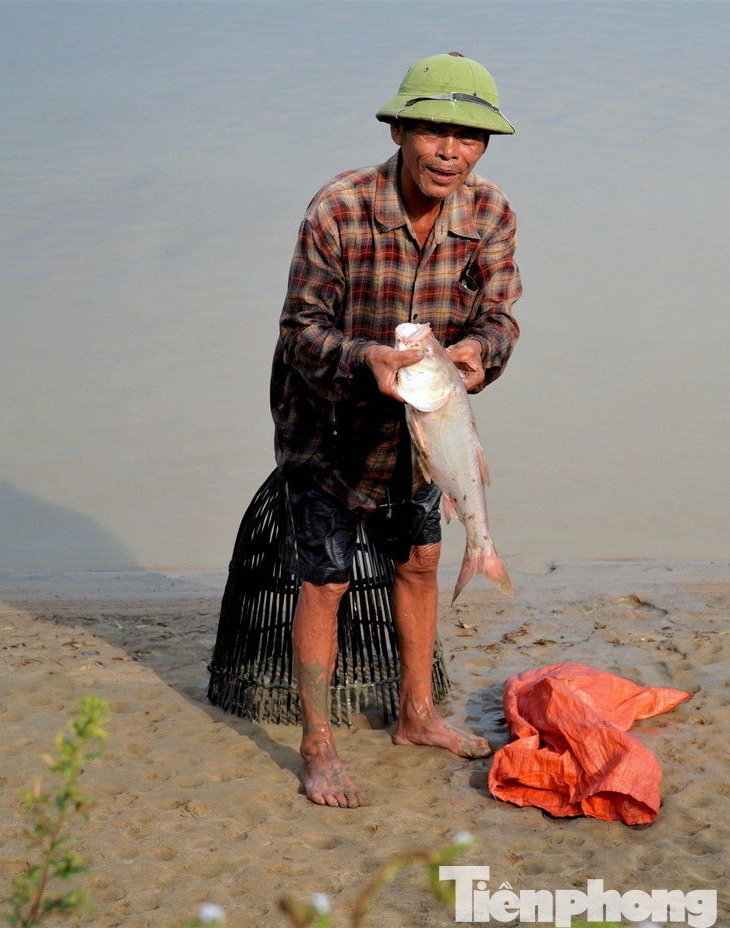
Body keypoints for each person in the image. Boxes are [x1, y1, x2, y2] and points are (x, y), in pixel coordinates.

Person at [270, 52, 521, 808]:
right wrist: (366, 357)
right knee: (326, 581)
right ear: (401, 127)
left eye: (470, 137)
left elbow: (500, 319)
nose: (452, 151)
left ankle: (417, 714)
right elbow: (299, 329)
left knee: (420, 560)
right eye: (435, 131)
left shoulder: (492, 215)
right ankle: (318, 745)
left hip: (428, 427)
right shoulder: (339, 208)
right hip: (329, 424)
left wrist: (480, 354)